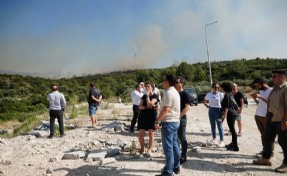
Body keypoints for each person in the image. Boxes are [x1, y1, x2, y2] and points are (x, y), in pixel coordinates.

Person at [253, 70, 287, 173]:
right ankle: (266, 159)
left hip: (281, 119)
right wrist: (267, 115)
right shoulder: (275, 89)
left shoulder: (286, 88)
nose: (272, 79)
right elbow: (270, 103)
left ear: (282, 77)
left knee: (284, 142)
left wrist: (285, 120)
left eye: (274, 77)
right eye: (272, 77)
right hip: (271, 117)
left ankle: (286, 164)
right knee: (267, 138)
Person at [155, 75, 181, 176]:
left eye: (164, 80)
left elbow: (165, 110)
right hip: (174, 122)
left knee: (168, 147)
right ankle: (175, 167)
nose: (162, 82)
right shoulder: (174, 92)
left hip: (169, 123)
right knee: (174, 145)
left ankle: (168, 172)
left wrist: (157, 121)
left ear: (167, 82)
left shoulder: (169, 93)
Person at [250, 77, 272, 154]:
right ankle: (264, 150)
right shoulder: (262, 91)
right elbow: (260, 104)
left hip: (265, 116)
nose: (257, 87)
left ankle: (269, 153)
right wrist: (255, 99)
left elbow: (270, 104)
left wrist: (260, 97)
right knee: (262, 134)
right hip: (258, 115)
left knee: (268, 135)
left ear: (263, 83)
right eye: (256, 86)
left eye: (258, 85)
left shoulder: (271, 90)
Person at [137, 82, 159, 155]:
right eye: (146, 87)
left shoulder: (155, 96)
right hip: (143, 116)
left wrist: (147, 97)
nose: (147, 88)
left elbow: (150, 104)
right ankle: (142, 148)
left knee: (151, 133)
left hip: (151, 116)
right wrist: (148, 107)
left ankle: (150, 149)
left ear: (152, 87)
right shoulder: (143, 96)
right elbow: (140, 107)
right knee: (140, 133)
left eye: (148, 86)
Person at [174, 76, 192, 164]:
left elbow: (187, 107)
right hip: (173, 119)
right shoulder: (174, 94)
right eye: (175, 82)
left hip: (181, 119)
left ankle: (183, 155)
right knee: (175, 138)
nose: (176, 83)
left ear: (182, 83)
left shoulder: (185, 94)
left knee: (182, 137)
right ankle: (177, 156)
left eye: (177, 82)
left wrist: (179, 116)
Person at [203, 82, 225, 147]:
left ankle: (221, 141)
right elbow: (204, 101)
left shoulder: (221, 94)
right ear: (212, 88)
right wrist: (207, 106)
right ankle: (214, 138)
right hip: (211, 110)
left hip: (218, 110)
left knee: (220, 126)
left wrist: (223, 113)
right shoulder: (209, 94)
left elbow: (224, 103)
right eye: (215, 87)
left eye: (218, 87)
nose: (216, 89)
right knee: (213, 126)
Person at [221, 82, 239, 151]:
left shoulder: (227, 95)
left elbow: (226, 107)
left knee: (232, 130)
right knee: (232, 129)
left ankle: (235, 146)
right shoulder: (230, 94)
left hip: (231, 114)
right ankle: (233, 143)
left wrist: (223, 116)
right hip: (233, 113)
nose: (220, 88)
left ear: (224, 88)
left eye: (221, 87)